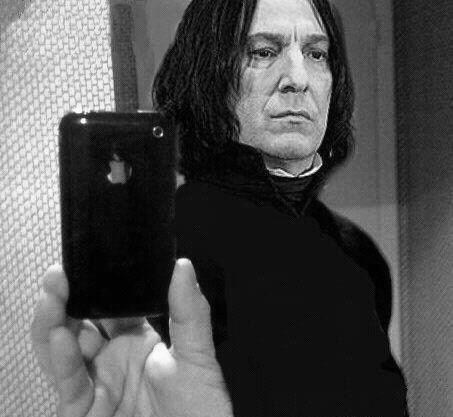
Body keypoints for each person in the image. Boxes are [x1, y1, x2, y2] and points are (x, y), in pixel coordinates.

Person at [32, 0, 409, 416]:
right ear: (209, 74)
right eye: (263, 52)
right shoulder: (163, 255)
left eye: (317, 54)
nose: (299, 79)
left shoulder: (358, 253)